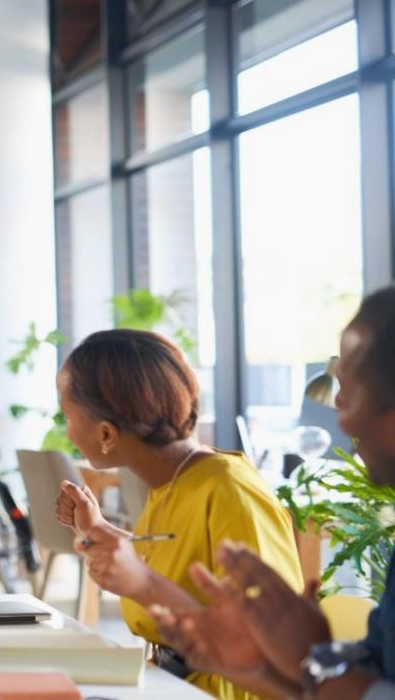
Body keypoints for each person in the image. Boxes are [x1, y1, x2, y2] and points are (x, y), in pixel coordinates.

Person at [151, 287, 395, 700]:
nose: (339, 413)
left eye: (348, 393)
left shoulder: (225, 483)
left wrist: (309, 657)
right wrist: (253, 665)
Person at [53, 329, 302, 700]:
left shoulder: (228, 490)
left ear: (106, 433)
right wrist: (99, 530)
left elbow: (274, 647)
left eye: (67, 416)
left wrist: (141, 582)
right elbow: (179, 567)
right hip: (169, 685)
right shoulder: (172, 481)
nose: (67, 430)